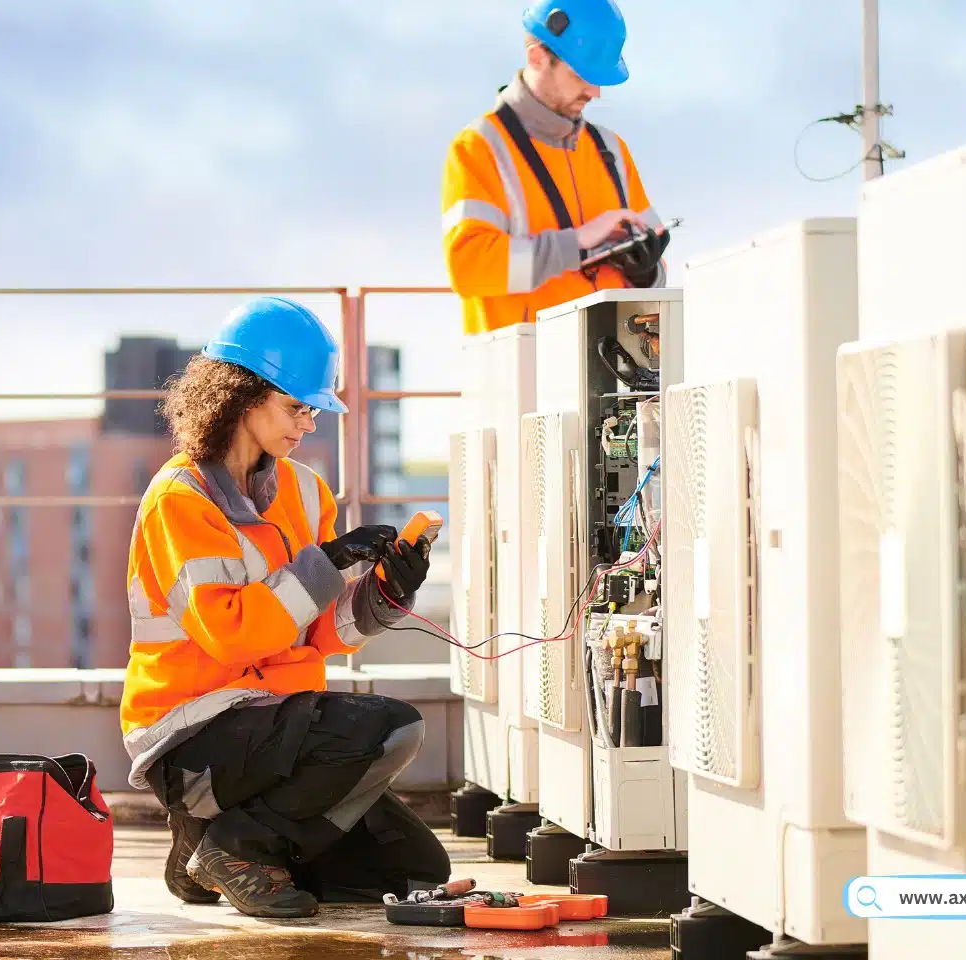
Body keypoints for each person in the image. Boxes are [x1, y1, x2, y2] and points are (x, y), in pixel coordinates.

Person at [119, 296, 451, 918]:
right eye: (296, 406)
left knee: (414, 869)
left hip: (277, 726)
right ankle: (236, 845)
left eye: (313, 409)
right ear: (241, 396)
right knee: (392, 727)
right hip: (194, 732)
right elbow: (232, 636)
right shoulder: (181, 498)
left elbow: (325, 633)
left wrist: (388, 592)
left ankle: (209, 845)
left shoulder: (305, 488)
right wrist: (324, 564)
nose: (308, 423)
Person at [441, 0, 670, 336]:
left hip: (611, 374)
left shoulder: (612, 150)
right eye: (581, 75)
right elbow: (469, 269)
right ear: (537, 57)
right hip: (523, 375)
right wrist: (576, 243)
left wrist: (646, 271)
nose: (595, 92)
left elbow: (660, 272)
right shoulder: (479, 147)